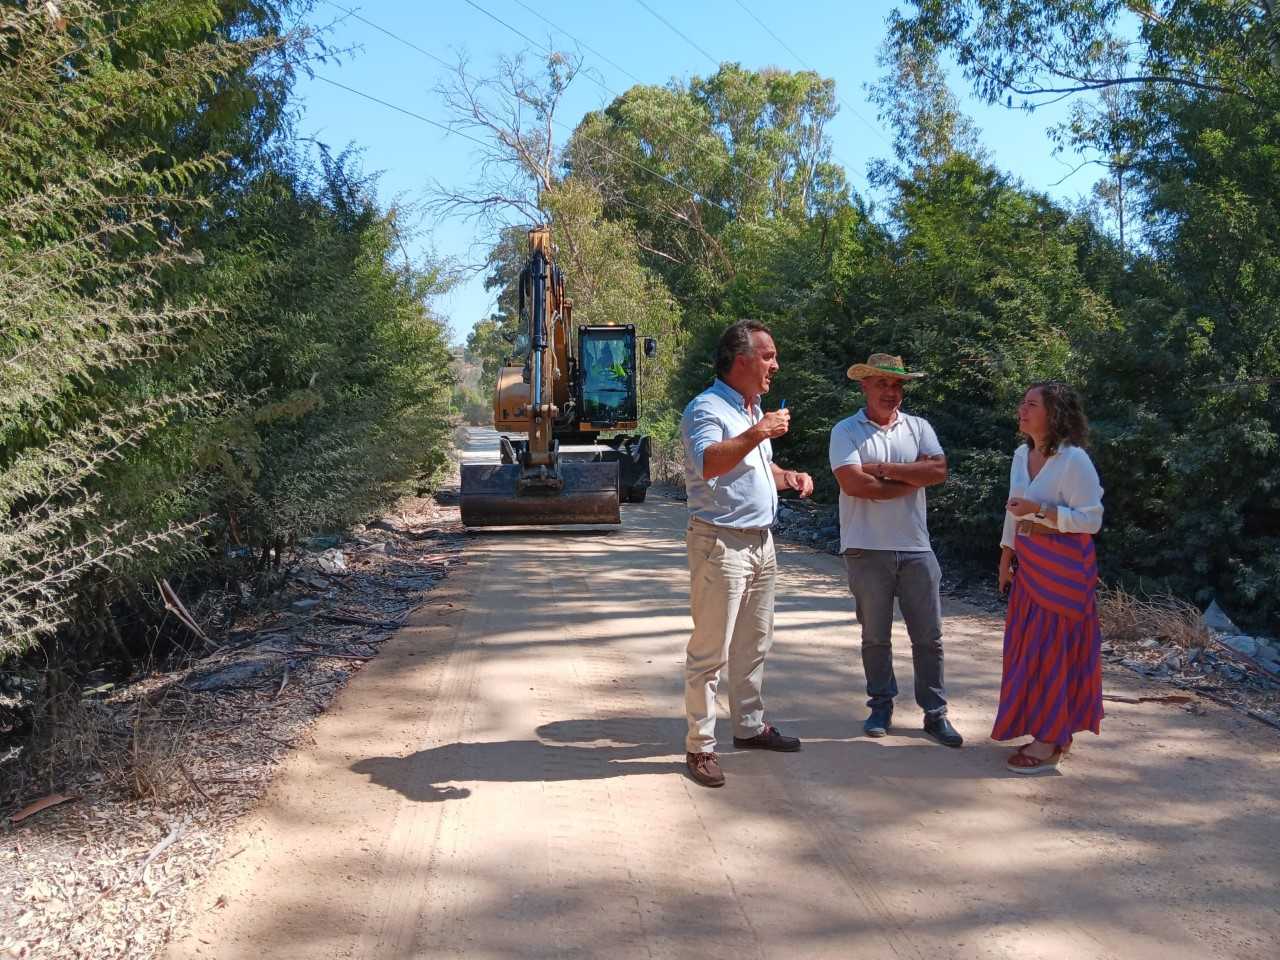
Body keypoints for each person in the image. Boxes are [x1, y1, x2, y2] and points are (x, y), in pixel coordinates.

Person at [679, 319, 815, 788]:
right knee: (710, 652)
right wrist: (760, 432)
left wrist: (788, 476)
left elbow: (752, 470)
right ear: (742, 360)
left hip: (760, 543)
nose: (775, 365)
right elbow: (709, 461)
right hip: (720, 543)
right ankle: (700, 747)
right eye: (768, 356)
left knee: (754, 644)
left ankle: (750, 727)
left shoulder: (749, 408)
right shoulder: (707, 407)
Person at [828, 353, 963, 747]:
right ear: (864, 386)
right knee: (875, 636)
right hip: (865, 548)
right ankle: (881, 705)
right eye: (883, 383)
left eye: (897, 384)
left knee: (929, 637)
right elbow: (854, 485)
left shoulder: (919, 427)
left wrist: (883, 469)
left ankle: (935, 714)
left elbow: (938, 471)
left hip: (916, 547)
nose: (891, 391)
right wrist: (911, 477)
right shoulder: (846, 431)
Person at [992, 382, 1104, 774]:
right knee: (1030, 649)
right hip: (1030, 563)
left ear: (1055, 413)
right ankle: (1050, 731)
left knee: (1054, 651)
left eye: (1032, 404)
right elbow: (1012, 509)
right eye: (1021, 402)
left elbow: (1092, 519)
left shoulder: (1074, 460)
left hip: (1064, 569)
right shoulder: (1022, 454)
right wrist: (1006, 555)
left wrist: (1040, 511)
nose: (1022, 409)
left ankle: (1051, 740)